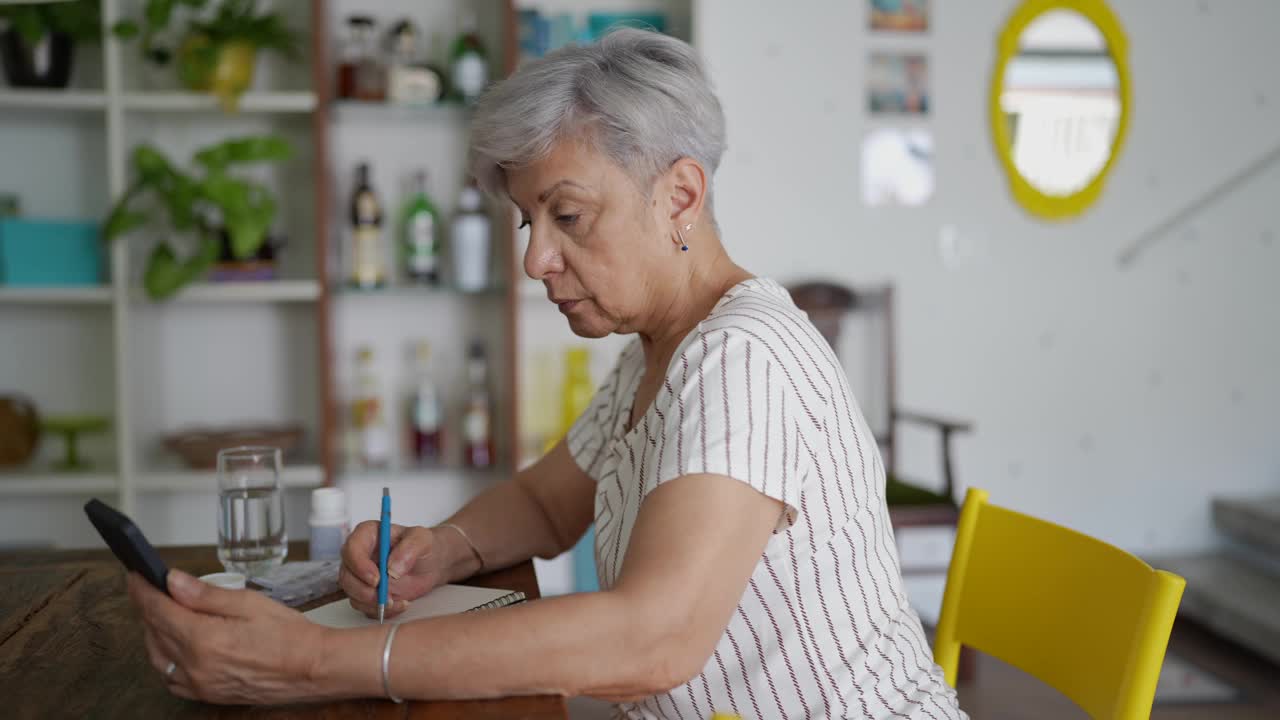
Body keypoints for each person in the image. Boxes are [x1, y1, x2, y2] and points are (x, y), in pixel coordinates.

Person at [127, 28, 965, 719]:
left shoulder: (743, 361)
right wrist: (443, 551)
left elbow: (651, 642)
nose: (535, 258)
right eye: (529, 220)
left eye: (567, 215)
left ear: (679, 197)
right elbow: (542, 503)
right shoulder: (660, 350)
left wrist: (319, 660)